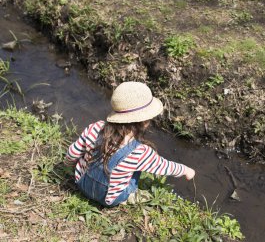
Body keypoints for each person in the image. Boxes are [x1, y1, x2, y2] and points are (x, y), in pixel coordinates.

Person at [64, 81, 195, 207]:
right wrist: (185, 170)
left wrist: (70, 166)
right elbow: (164, 166)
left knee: (86, 155)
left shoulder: (95, 128)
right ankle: (131, 197)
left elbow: (73, 153)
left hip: (81, 183)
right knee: (135, 172)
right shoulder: (141, 152)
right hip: (108, 200)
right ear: (145, 122)